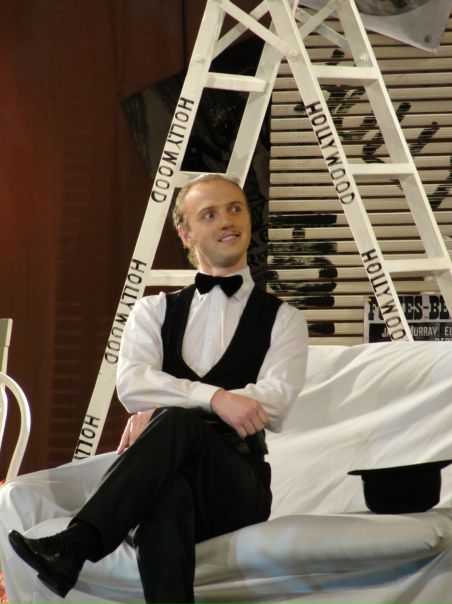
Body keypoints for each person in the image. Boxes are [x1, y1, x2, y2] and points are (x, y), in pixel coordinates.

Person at [8, 174, 308, 603]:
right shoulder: (152, 310)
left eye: (236, 209)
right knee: (166, 494)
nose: (228, 220)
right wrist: (217, 398)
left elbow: (274, 404)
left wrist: (166, 407)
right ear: (186, 234)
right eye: (210, 214)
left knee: (175, 421)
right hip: (162, 479)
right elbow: (132, 385)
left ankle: (77, 544)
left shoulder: (284, 319)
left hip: (236, 486)